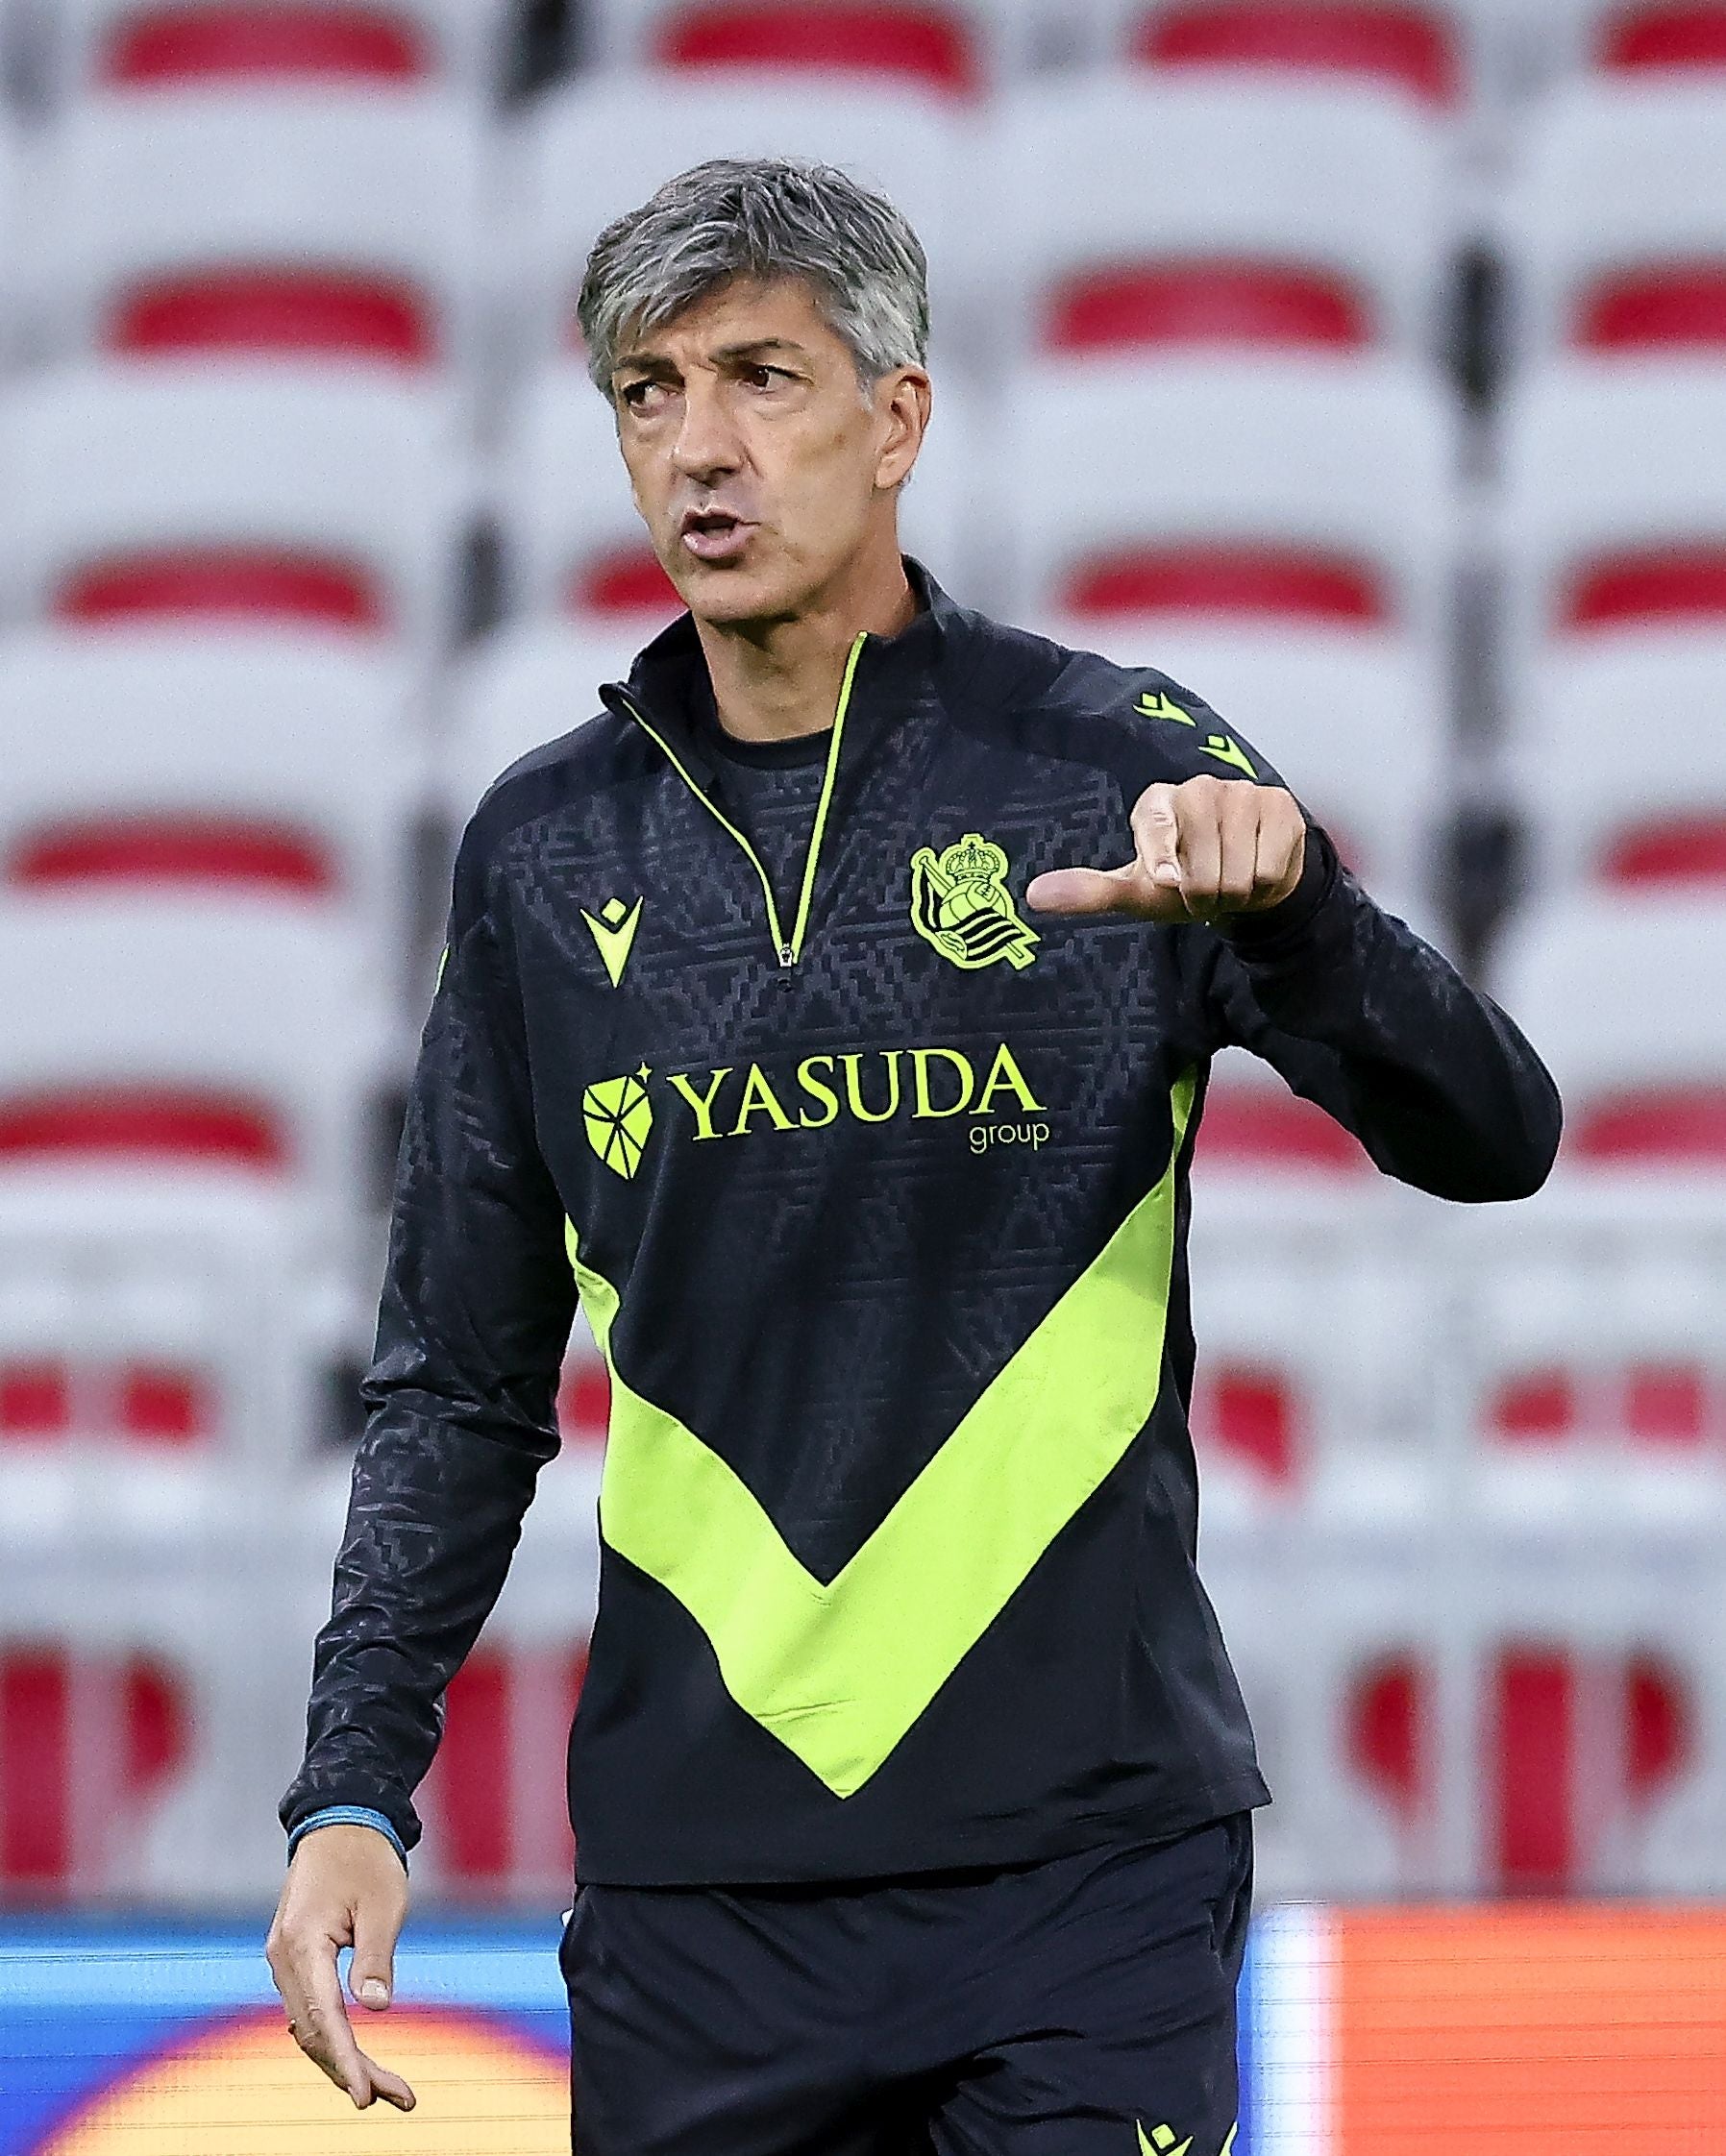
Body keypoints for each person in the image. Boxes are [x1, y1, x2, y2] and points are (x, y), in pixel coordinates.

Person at [267, 157, 1561, 2154]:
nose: (698, 449)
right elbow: (457, 1376)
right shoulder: (541, 852)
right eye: (645, 391)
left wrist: (1303, 911)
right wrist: (352, 1786)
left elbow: (1497, 1141)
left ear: (896, 420)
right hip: (701, 1899)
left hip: (1087, 1874)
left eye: (761, 380)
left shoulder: (1110, 763)